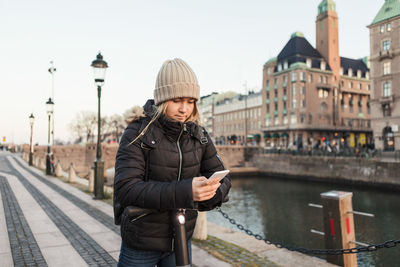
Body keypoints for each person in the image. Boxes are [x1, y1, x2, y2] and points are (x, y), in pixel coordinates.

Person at [114, 58, 231, 267]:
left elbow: (224, 179)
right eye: (177, 100)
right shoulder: (137, 131)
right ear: (162, 99)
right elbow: (127, 189)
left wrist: (208, 194)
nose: (184, 109)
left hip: (180, 239)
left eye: (190, 101)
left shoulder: (199, 135)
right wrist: (188, 192)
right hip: (141, 241)